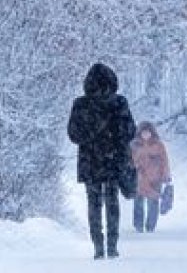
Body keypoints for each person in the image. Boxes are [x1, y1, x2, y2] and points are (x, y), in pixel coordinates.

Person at [68, 62, 137, 260]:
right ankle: (112, 246)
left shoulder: (80, 104)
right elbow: (130, 131)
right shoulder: (119, 103)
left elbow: (73, 134)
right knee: (112, 202)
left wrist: (92, 136)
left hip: (90, 161)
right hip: (113, 159)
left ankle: (98, 247)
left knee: (93, 203)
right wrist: (113, 137)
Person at [130, 121, 171, 233]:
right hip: (139, 179)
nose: (146, 135)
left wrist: (166, 176)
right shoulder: (134, 145)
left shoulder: (158, 145)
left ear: (152, 133)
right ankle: (138, 226)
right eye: (144, 132)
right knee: (138, 203)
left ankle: (151, 226)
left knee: (153, 203)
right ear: (140, 133)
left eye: (148, 132)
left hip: (155, 179)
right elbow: (129, 162)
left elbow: (164, 161)